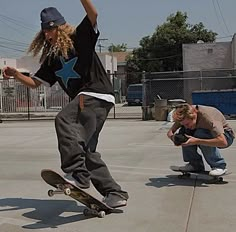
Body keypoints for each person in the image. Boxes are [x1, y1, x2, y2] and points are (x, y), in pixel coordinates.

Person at [2, 0, 128, 208]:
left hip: (94, 93)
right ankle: (114, 193)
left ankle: (77, 175)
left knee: (63, 120)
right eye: (45, 32)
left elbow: (93, 15)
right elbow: (35, 83)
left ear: (61, 27)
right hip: (89, 101)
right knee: (85, 150)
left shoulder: (79, 38)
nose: (49, 35)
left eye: (52, 29)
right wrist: (16, 74)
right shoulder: (51, 60)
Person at [167, 103, 235, 176]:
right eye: (183, 124)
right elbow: (170, 132)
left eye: (187, 124)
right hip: (205, 134)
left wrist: (196, 141)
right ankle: (195, 164)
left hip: (226, 136)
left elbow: (223, 142)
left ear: (193, 116)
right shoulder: (184, 116)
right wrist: (174, 138)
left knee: (201, 133)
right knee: (183, 133)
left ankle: (219, 166)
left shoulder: (208, 118)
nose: (186, 126)